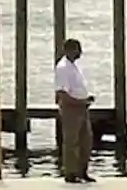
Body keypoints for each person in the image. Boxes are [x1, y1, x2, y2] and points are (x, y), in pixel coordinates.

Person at [54, 38, 95, 184]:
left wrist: (86, 98)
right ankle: (70, 173)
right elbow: (62, 94)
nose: (80, 52)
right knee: (71, 142)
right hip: (71, 109)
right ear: (68, 50)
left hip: (82, 108)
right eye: (77, 49)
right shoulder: (63, 67)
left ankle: (82, 171)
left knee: (86, 140)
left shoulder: (75, 66)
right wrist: (80, 102)